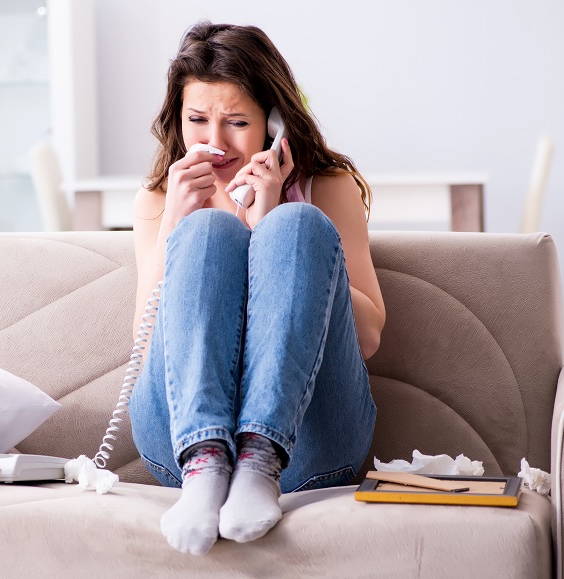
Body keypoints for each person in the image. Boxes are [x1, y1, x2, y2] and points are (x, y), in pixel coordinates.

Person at [128, 21, 385, 556]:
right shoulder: (157, 200)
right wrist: (175, 225)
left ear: (274, 123)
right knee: (207, 230)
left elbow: (366, 338)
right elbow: (144, 341)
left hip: (309, 446)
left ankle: (261, 456)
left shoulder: (328, 188)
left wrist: (273, 220)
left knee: (297, 224)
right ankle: (205, 462)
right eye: (197, 120)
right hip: (175, 444)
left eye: (237, 122)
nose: (214, 142)